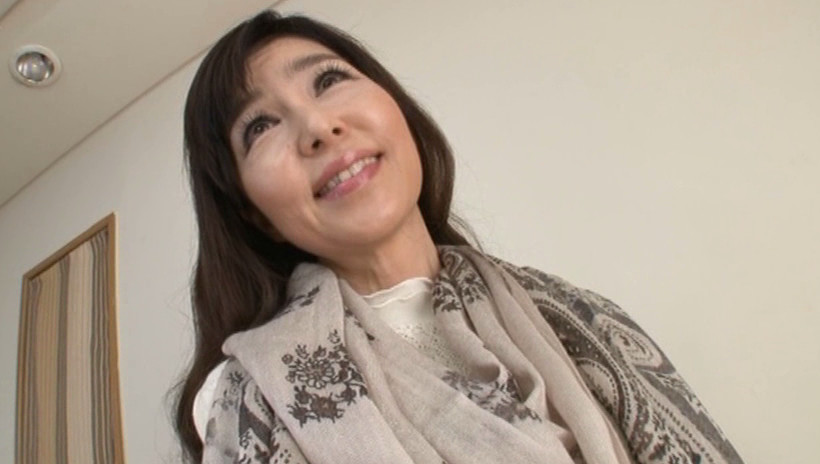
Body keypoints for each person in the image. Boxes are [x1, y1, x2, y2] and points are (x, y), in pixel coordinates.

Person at [175, 10, 743, 464]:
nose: (319, 127)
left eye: (328, 81)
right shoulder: (245, 396)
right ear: (253, 213)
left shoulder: (581, 317)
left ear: (396, 109)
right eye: (260, 126)